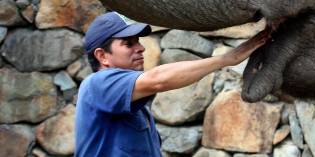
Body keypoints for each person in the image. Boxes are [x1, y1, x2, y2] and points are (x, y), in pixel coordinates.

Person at [75, 11, 269, 157]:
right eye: (128, 43)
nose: (141, 47)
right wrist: (226, 59)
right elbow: (158, 79)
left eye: (138, 41)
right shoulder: (97, 85)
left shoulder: (133, 105)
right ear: (102, 56)